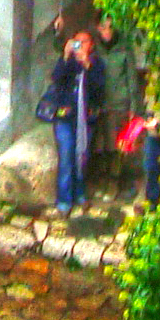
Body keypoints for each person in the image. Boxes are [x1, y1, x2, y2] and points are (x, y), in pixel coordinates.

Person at [43, 28, 106, 217]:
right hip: (65, 117)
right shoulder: (68, 62)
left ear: (91, 45)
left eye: (84, 42)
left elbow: (99, 90)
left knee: (82, 156)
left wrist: (87, 64)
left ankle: (79, 194)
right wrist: (65, 56)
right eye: (76, 41)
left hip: (86, 119)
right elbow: (56, 80)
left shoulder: (97, 64)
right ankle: (64, 200)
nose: (80, 45)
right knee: (66, 157)